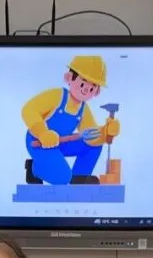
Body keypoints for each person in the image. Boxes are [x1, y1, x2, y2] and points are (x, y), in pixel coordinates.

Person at [21, 55, 121, 185]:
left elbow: (91, 134)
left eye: (92, 87)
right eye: (83, 83)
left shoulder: (83, 108)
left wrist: (105, 132)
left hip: (61, 143)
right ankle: (34, 169)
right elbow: (29, 109)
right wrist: (42, 133)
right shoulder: (57, 96)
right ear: (69, 78)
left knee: (94, 145)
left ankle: (79, 177)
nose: (86, 89)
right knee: (62, 178)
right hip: (39, 142)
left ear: (96, 92)